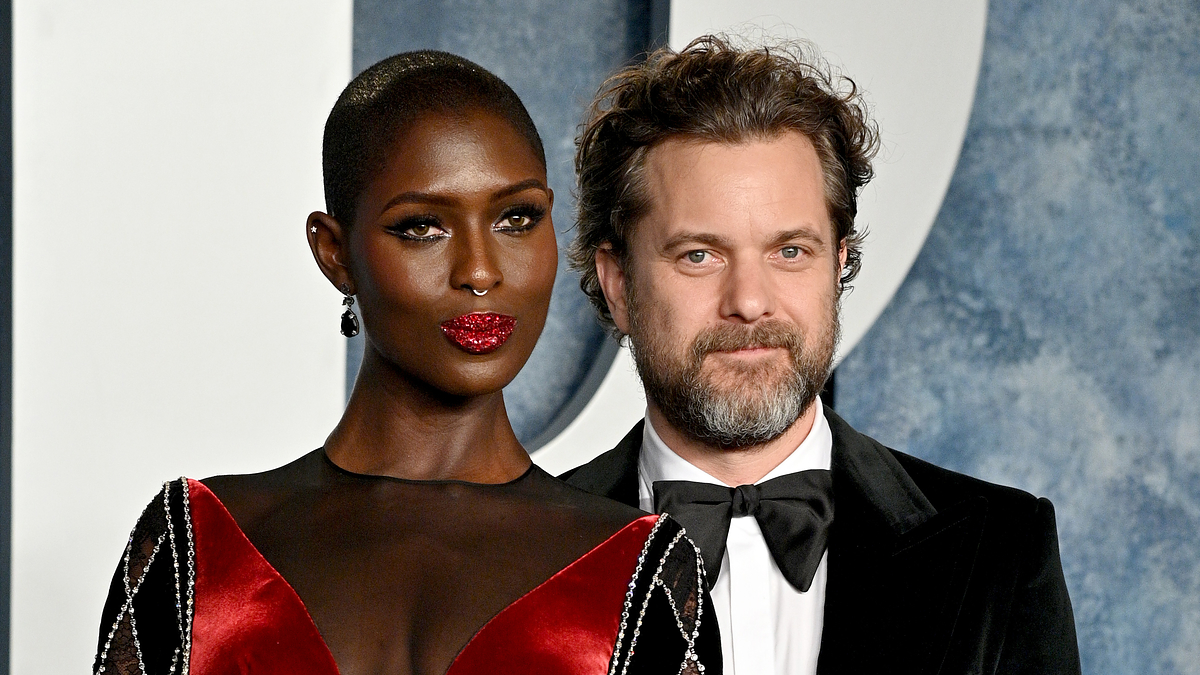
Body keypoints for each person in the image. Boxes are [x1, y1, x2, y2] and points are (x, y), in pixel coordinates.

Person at [93, 51, 721, 675]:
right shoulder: (196, 545)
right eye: (422, 227)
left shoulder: (642, 570)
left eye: (516, 219)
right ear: (335, 252)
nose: (480, 270)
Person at [562, 36, 1081, 675]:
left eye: (790, 252)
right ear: (619, 285)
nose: (749, 302)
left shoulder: (1002, 551)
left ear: (837, 266)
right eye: (699, 255)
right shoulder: (519, 558)